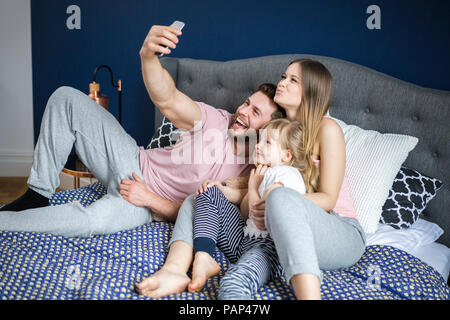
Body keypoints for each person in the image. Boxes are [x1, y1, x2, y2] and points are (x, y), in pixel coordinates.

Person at [0, 24, 283, 237]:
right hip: (131, 159)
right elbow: (168, 100)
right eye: (247, 103)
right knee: (65, 98)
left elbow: (203, 217)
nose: (243, 112)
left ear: (269, 128)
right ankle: (38, 193)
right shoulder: (217, 119)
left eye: (255, 112)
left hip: (143, 205)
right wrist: (148, 56)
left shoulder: (252, 177)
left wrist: (149, 199)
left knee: (90, 222)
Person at [137, 58, 366, 300]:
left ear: (311, 90)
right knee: (199, 197)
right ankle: (175, 269)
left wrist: (275, 203)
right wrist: (232, 193)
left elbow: (328, 199)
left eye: (293, 80)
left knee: (279, 197)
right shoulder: (273, 133)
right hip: (273, 230)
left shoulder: (327, 129)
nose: (282, 83)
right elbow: (256, 197)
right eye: (283, 76)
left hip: (335, 230)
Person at [189, 119, 310, 299]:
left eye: (267, 142)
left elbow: (262, 218)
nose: (258, 146)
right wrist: (229, 190)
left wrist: (253, 188)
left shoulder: (287, 174)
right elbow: (247, 215)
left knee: (232, 284)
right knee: (209, 192)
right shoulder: (262, 173)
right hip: (244, 240)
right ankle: (204, 255)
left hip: (269, 249)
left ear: (286, 156)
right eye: (259, 140)